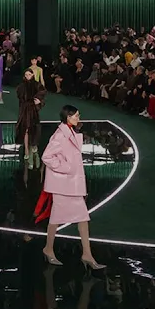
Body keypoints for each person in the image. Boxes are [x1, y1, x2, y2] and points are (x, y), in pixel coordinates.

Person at [39, 105, 104, 270]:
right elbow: (46, 156)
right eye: (76, 116)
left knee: (81, 217)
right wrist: (66, 167)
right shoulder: (60, 135)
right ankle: (49, 248)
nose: (78, 118)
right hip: (63, 185)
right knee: (57, 218)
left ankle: (86, 253)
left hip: (70, 184)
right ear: (68, 117)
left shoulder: (69, 133)